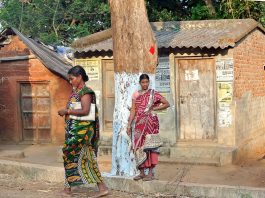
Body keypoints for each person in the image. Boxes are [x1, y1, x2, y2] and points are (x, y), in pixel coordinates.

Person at [58, 65, 108, 197]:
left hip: (82, 134)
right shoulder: (76, 92)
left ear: (80, 77)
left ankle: (102, 188)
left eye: (72, 78)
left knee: (83, 158)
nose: (70, 81)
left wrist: (67, 111)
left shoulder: (86, 92)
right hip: (74, 132)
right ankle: (68, 189)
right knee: (71, 157)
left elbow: (85, 111)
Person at [127, 74, 170, 181]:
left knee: (151, 147)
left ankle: (150, 173)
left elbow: (166, 104)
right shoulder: (136, 95)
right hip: (139, 124)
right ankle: (141, 172)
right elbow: (133, 110)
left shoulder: (153, 93)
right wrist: (129, 125)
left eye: (147, 82)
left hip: (151, 123)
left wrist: (154, 109)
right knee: (138, 146)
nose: (145, 84)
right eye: (143, 82)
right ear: (140, 83)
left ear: (149, 82)